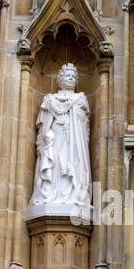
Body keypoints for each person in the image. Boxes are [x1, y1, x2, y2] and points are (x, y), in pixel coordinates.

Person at [29, 63, 92, 209]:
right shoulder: (50, 99)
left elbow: (85, 125)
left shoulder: (81, 99)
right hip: (56, 137)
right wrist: (48, 134)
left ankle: (74, 195)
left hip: (75, 141)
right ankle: (51, 195)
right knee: (56, 164)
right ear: (60, 79)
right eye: (67, 75)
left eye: (73, 76)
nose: (70, 78)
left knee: (73, 166)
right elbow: (44, 125)